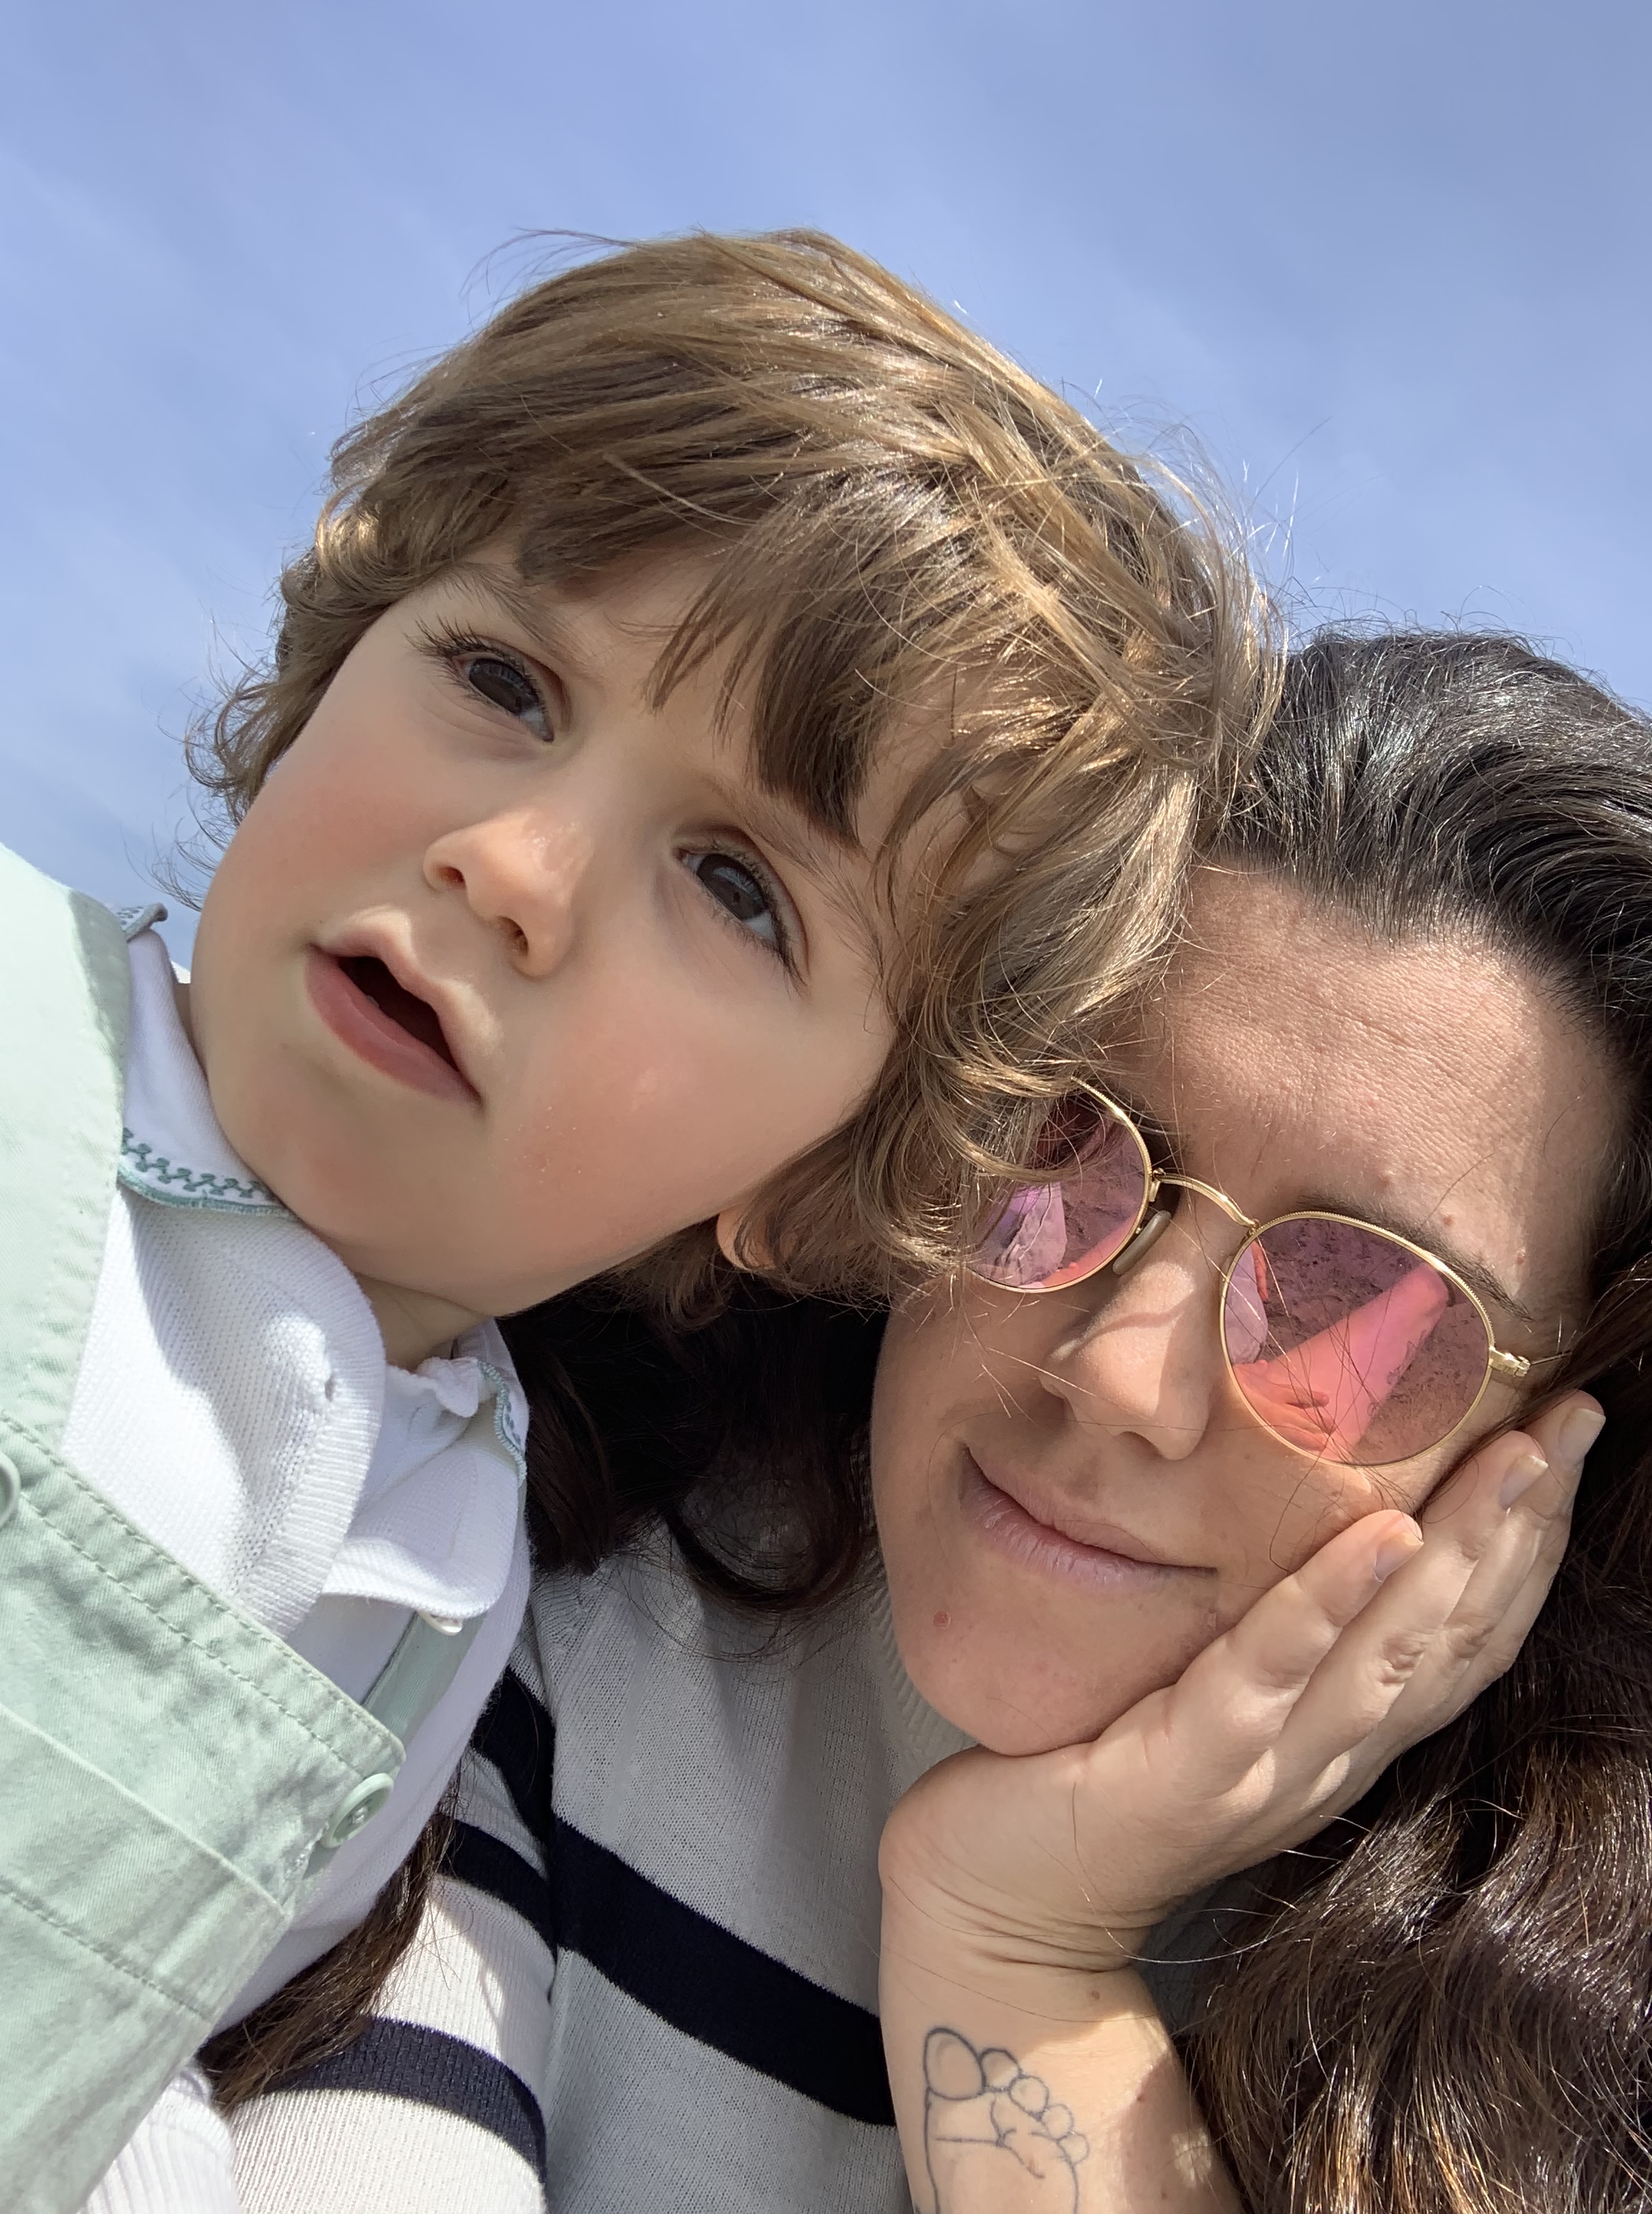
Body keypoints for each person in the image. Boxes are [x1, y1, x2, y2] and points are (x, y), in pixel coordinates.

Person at [1, 229, 1271, 2214]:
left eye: (738, 885)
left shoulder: (457, 1586)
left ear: (817, 1186)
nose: (515, 866)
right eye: (501, 679)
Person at [216, 624, 1647, 2214]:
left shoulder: (1581, 2072)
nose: (1121, 1374)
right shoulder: (493, 1604)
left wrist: (1018, 1956)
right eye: (1055, 1145)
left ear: (1561, 1439)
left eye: (1362, 1306)